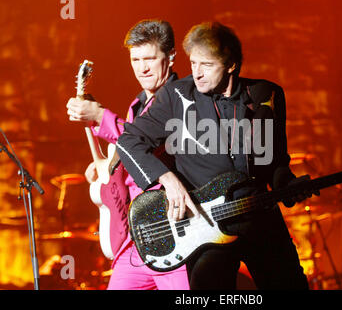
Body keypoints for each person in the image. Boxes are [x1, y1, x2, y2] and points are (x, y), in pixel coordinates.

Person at [116, 21, 317, 289]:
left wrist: (287, 184)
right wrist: (167, 180)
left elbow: (275, 162)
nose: (196, 74)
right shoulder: (177, 94)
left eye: (206, 65)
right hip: (205, 224)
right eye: (193, 64)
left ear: (231, 64)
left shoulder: (265, 95)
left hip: (259, 216)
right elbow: (128, 141)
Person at [65, 19, 190, 290]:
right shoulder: (138, 104)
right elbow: (131, 153)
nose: (142, 68)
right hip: (138, 237)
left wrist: (101, 116)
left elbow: (141, 143)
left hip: (173, 232)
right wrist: (107, 165)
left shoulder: (180, 97)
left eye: (149, 59)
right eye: (135, 59)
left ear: (170, 57)